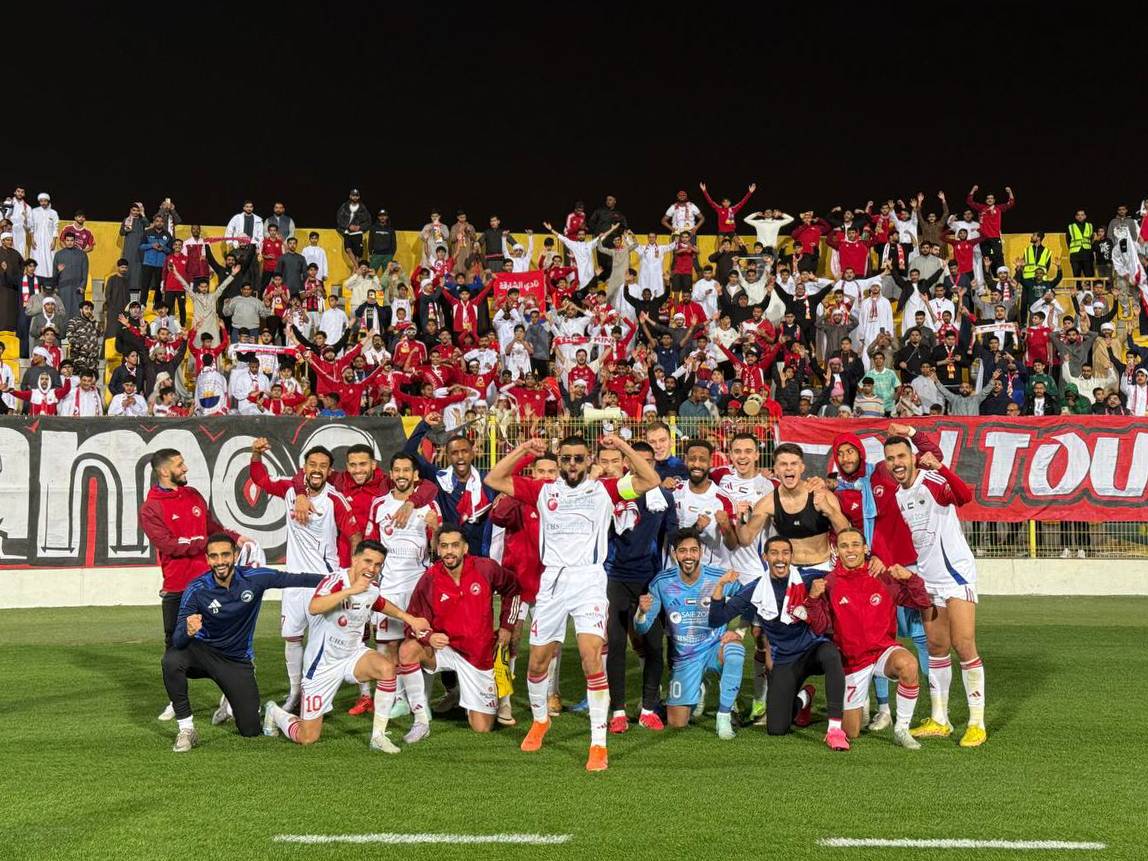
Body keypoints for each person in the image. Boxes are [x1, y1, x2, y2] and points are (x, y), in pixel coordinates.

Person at [483, 432, 661, 771]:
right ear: (560, 461)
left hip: (589, 580)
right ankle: (540, 721)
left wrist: (622, 447)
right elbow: (494, 478)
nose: (573, 464)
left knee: (590, 657)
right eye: (566, 459)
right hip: (552, 581)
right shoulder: (543, 490)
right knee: (537, 662)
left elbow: (650, 478)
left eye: (579, 458)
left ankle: (598, 744)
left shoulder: (605, 490)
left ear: (589, 460)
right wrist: (523, 450)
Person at [262, 540, 432, 751]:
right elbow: (314, 607)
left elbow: (379, 603)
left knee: (387, 668)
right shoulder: (335, 581)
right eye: (367, 561)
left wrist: (410, 619)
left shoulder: (371, 588)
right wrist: (350, 591)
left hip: (353, 655)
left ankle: (377, 737)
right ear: (354, 559)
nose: (372, 569)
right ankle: (274, 712)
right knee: (307, 737)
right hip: (322, 665)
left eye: (378, 564)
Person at [161, 534, 326, 752]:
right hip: (202, 653)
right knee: (171, 660)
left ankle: (252, 705)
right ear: (208, 560)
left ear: (236, 555)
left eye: (226, 555)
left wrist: (343, 580)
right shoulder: (197, 588)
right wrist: (189, 630)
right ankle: (186, 729)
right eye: (214, 556)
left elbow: (297, 578)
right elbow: (179, 640)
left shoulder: (254, 578)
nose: (220, 561)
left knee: (250, 730)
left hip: (236, 660)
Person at [884, 437, 987, 747]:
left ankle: (976, 722)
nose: (896, 462)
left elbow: (964, 496)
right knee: (936, 646)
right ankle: (940, 719)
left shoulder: (930, 480)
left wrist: (940, 465)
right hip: (928, 579)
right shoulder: (899, 493)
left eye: (901, 455)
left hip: (955, 574)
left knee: (964, 644)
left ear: (913, 457)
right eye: (890, 458)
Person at [248, 438, 361, 714]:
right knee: (292, 637)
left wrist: (355, 571)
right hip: (293, 582)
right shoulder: (290, 488)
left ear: (330, 471)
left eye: (323, 466)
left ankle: (317, 693)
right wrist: (254, 454)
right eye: (313, 464)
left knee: (321, 642)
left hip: (323, 581)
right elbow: (260, 479)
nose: (317, 469)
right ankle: (295, 692)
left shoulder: (335, 499)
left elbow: (355, 535)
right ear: (304, 467)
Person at [708, 536, 849, 749]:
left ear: (791, 557)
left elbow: (843, 577)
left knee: (830, 653)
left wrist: (873, 562)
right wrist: (719, 586)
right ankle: (803, 698)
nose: (780, 558)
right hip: (785, 660)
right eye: (774, 553)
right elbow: (717, 619)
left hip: (813, 650)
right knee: (777, 728)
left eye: (785, 553)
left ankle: (835, 730)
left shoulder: (808, 577)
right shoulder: (754, 589)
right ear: (765, 557)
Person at [139, 449, 248, 722]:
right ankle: (177, 703)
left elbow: (211, 526)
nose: (185, 468)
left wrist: (235, 538)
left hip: (212, 584)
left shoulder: (194, 495)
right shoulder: (151, 507)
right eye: (179, 465)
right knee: (175, 648)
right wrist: (205, 545)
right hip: (177, 587)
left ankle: (231, 699)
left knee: (225, 641)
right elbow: (168, 546)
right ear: (164, 471)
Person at [801, 527, 931, 749]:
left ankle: (902, 729)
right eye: (844, 546)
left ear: (865, 548)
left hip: (883, 651)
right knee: (852, 731)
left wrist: (910, 578)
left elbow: (921, 602)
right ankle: (806, 698)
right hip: (852, 662)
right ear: (836, 550)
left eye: (854, 545)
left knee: (908, 664)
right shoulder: (829, 583)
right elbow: (821, 626)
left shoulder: (882, 576)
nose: (850, 550)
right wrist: (812, 599)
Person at [398, 526, 521, 737]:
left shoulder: (486, 568)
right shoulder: (430, 578)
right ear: (437, 549)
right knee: (408, 650)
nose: (449, 551)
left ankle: (476, 699)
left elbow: (513, 588)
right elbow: (412, 623)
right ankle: (420, 717)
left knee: (482, 728)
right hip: (445, 648)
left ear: (465, 548)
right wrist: (429, 636)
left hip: (478, 655)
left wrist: (507, 626)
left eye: (455, 545)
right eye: (444, 546)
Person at [635, 529, 745, 739]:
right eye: (683, 551)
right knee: (677, 723)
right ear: (675, 554)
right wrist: (641, 612)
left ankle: (723, 715)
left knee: (735, 650)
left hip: (714, 648)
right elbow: (642, 628)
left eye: (693, 550)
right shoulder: (662, 582)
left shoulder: (717, 577)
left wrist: (738, 631)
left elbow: (749, 599)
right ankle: (699, 687)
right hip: (686, 658)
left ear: (701, 552)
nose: (689, 556)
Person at [599, 441, 677, 733]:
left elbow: (672, 539)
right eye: (635, 459)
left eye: (647, 460)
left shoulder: (663, 498)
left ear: (654, 464)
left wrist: (668, 580)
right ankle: (617, 711)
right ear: (628, 464)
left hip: (649, 579)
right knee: (617, 645)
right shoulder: (612, 495)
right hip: (615, 577)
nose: (640, 464)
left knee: (654, 644)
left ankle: (648, 708)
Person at [363, 453, 441, 713]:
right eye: (396, 470)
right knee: (387, 643)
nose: (401, 475)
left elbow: (437, 552)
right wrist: (369, 584)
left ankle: (421, 701)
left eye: (406, 470)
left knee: (421, 643)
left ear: (415, 475)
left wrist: (435, 529)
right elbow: (371, 548)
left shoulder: (429, 505)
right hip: (388, 587)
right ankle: (396, 697)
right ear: (391, 474)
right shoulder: (379, 505)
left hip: (419, 586)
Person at [738, 443, 850, 577]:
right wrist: (741, 519)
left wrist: (828, 510)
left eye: (794, 464)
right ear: (776, 469)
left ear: (802, 468)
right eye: (783, 464)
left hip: (824, 567)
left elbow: (846, 532)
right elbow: (746, 539)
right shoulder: (768, 503)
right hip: (790, 571)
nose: (789, 468)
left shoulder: (822, 495)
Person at [28, 192, 59, 275]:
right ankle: (36, 276)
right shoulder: (34, 211)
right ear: (39, 201)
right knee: (37, 257)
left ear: (48, 201)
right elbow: (31, 226)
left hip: (49, 240)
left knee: (49, 257)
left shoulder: (53, 213)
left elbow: (55, 228)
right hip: (37, 239)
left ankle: (50, 278)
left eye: (45, 201)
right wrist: (32, 239)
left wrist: (54, 241)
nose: (43, 203)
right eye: (41, 201)